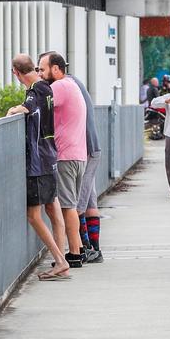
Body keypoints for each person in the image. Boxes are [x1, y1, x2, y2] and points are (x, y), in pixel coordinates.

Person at [5, 53, 69, 280]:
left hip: (38, 162)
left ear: (16, 72)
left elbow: (28, 108)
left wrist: (13, 110)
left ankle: (60, 261)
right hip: (49, 156)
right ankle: (61, 258)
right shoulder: (45, 88)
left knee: (33, 215)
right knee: (52, 207)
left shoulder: (37, 89)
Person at [41, 51, 88, 269]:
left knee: (67, 207)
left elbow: (38, 104)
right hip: (78, 155)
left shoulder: (59, 86)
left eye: (42, 69)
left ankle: (75, 254)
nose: (40, 75)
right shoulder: (72, 85)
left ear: (56, 69)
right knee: (72, 206)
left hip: (65, 156)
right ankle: (78, 250)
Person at [68, 69, 103, 264]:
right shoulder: (75, 83)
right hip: (91, 148)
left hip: (85, 150)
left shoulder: (64, 86)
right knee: (89, 201)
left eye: (41, 69)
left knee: (77, 203)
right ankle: (94, 250)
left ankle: (84, 248)